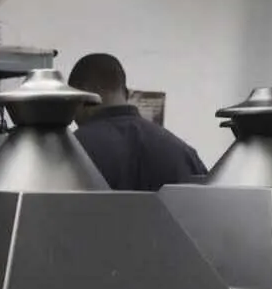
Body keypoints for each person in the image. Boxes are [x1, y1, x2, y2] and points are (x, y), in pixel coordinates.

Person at [67, 53, 208, 191]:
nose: (73, 116)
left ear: (83, 94)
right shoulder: (183, 153)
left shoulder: (71, 150)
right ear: (127, 93)